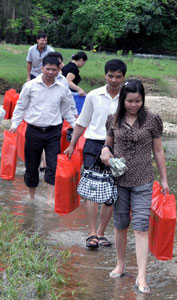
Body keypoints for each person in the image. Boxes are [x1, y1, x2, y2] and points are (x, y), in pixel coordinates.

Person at [100, 79, 169, 294]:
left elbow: (158, 151)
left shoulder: (152, 120)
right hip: (119, 180)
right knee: (120, 224)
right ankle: (121, 263)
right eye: (130, 101)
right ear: (123, 100)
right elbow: (107, 145)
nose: (134, 105)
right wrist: (104, 152)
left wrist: (164, 179)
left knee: (141, 226)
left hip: (143, 180)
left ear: (143, 100)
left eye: (138, 101)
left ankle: (141, 275)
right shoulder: (113, 119)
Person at [64, 59, 127, 249]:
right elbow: (82, 122)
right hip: (93, 144)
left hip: (119, 146)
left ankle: (101, 232)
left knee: (111, 192)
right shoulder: (94, 95)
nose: (114, 80)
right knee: (92, 189)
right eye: (110, 76)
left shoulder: (128, 96)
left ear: (124, 77)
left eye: (118, 77)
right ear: (105, 75)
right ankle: (91, 232)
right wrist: (72, 145)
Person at [10, 55, 76, 204]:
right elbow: (21, 106)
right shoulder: (31, 86)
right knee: (31, 166)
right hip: (33, 130)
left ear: (59, 70)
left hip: (54, 131)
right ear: (42, 68)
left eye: (54, 69)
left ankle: (50, 199)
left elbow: (66, 110)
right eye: (48, 69)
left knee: (52, 165)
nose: (51, 72)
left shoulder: (62, 87)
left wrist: (76, 125)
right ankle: (31, 197)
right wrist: (14, 124)